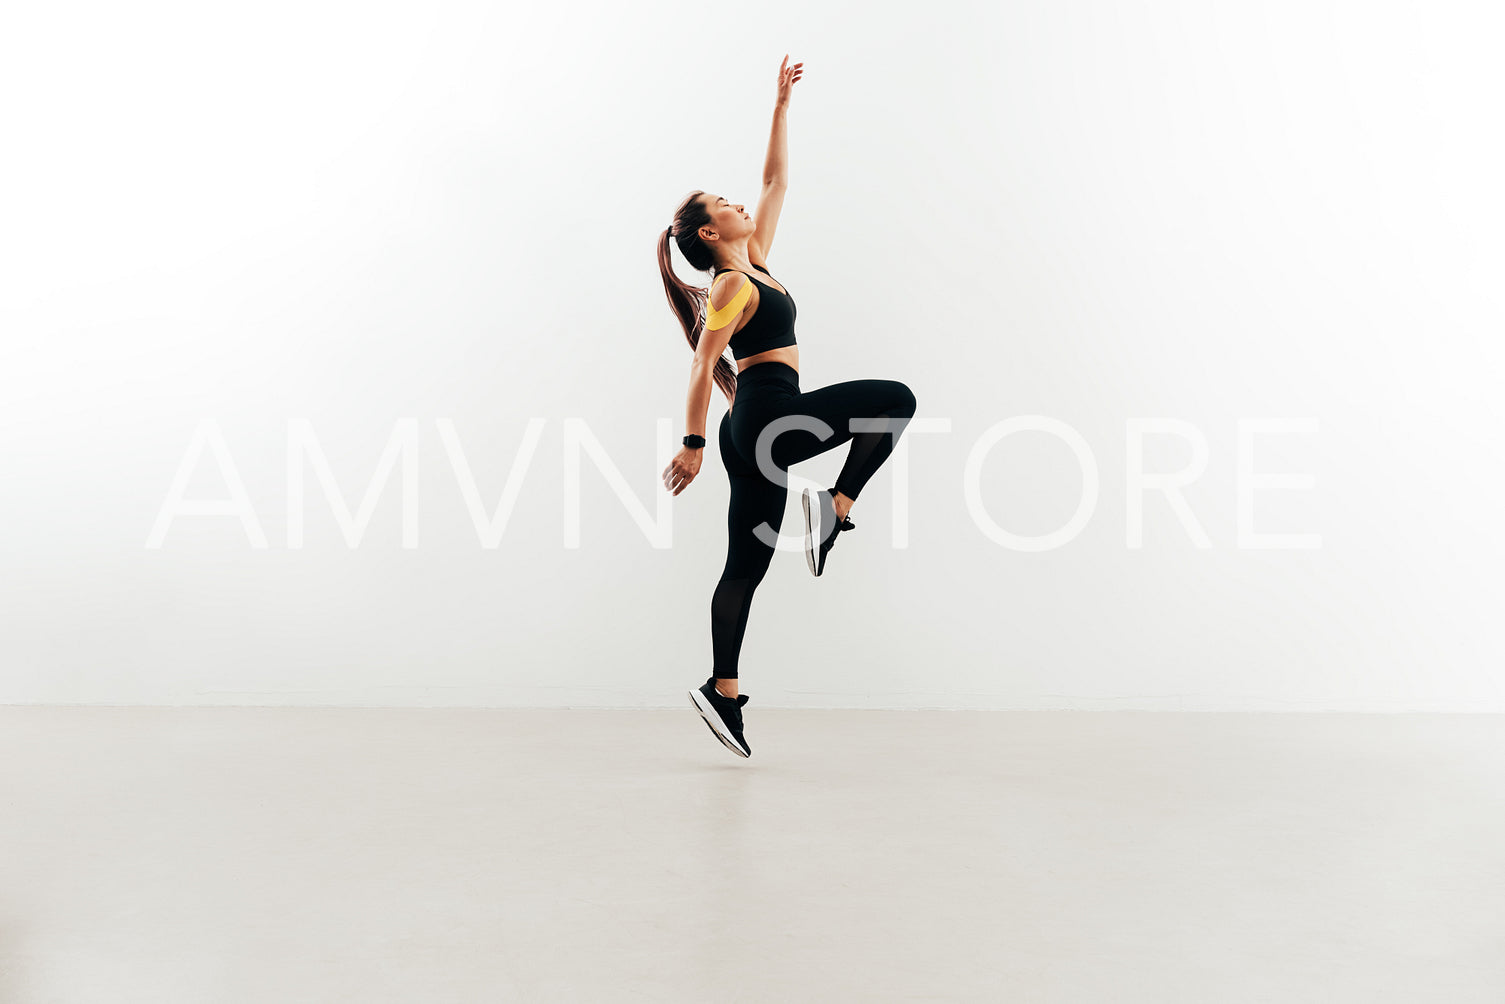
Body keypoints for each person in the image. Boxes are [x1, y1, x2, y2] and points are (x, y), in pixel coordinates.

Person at [656, 56, 917, 758]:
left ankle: (723, 690)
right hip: (767, 418)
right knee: (895, 400)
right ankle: (835, 506)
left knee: (746, 563)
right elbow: (702, 361)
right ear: (709, 234)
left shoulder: (755, 260)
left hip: (756, 428)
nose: (739, 204)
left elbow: (774, 181)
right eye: (724, 206)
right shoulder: (732, 286)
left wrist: (779, 107)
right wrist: (691, 443)